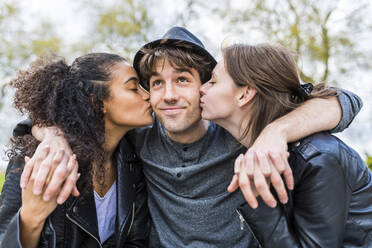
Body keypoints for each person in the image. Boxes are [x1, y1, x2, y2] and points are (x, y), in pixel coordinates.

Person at [14, 27, 363, 247]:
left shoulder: (238, 131)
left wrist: (275, 132)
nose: (166, 96)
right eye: (154, 83)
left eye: (182, 80)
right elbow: (64, 114)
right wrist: (53, 136)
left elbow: (344, 100)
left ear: (206, 88)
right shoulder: (137, 140)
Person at [199, 43, 372, 247]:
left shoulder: (318, 159)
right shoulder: (251, 148)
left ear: (244, 94)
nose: (201, 88)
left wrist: (258, 200)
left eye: (213, 82)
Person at [0, 53, 152, 247]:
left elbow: (136, 240)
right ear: (97, 102)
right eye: (133, 88)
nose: (147, 95)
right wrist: (31, 218)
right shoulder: (41, 156)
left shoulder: (133, 160)